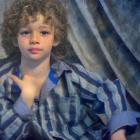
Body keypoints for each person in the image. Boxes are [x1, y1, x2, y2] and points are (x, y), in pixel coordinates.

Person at [0, 0, 140, 139]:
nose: (34, 39)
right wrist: (25, 100)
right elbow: (7, 134)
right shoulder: (4, 81)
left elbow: (109, 90)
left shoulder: (71, 74)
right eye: (25, 32)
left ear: (56, 39)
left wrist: (118, 132)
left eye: (43, 32)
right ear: (14, 38)